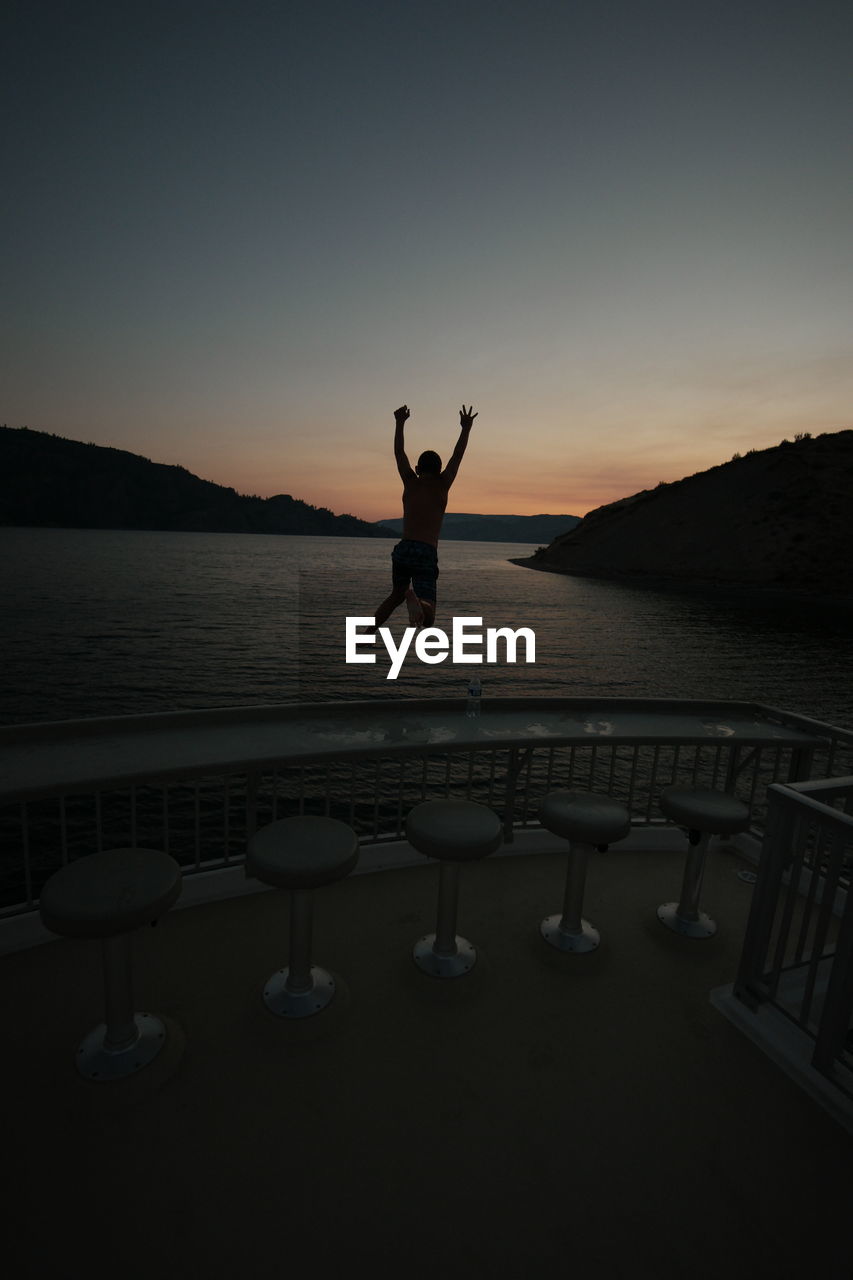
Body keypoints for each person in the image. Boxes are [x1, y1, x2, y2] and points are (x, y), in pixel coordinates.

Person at [373, 403, 477, 629]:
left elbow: (399, 453)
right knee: (428, 617)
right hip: (425, 551)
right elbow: (457, 455)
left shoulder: (410, 481)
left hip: (404, 549)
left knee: (395, 596)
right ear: (440, 470)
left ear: (418, 468)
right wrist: (465, 428)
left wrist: (399, 423)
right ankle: (418, 602)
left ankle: (367, 632)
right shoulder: (442, 485)